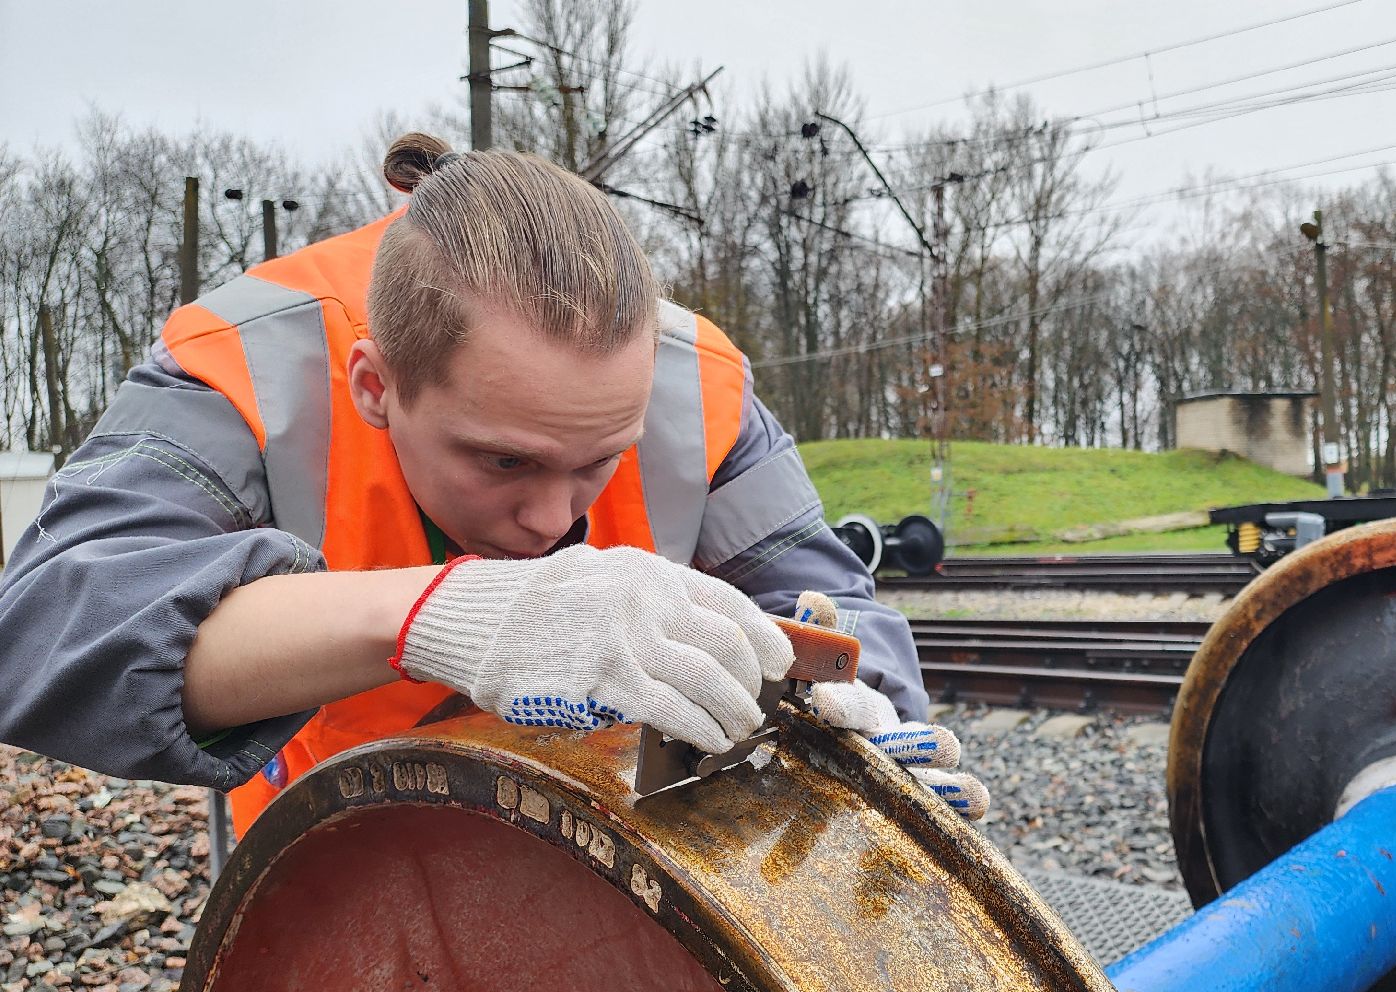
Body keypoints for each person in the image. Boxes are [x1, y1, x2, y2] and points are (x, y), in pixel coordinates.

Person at [0, 133, 985, 837]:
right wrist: (451, 613)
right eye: (503, 460)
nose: (555, 521)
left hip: (623, 858)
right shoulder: (245, 370)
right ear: (375, 386)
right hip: (324, 862)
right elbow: (44, 633)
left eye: (597, 459)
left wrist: (870, 724)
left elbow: (820, 602)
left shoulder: (696, 384)